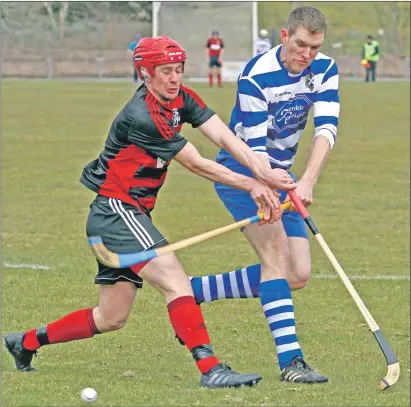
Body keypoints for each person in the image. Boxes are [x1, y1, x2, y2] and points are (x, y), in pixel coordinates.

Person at [4, 36, 296, 389]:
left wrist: (261, 172)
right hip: (117, 211)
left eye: (178, 70)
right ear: (145, 73)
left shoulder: (181, 98)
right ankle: (211, 368)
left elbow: (223, 136)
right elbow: (197, 163)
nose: (174, 78)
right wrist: (251, 185)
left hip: (122, 215)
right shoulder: (143, 115)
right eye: (165, 71)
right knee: (175, 279)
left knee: (111, 317)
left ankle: (25, 342)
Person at [189, 5, 340, 383]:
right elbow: (255, 153)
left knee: (298, 273)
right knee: (274, 256)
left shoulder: (325, 69)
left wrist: (306, 182)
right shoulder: (256, 75)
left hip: (284, 175)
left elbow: (326, 129)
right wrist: (273, 183)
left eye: (315, 48)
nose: (307, 55)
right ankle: (291, 362)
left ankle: (190, 290)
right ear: (285, 37)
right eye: (302, 45)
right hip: (244, 171)